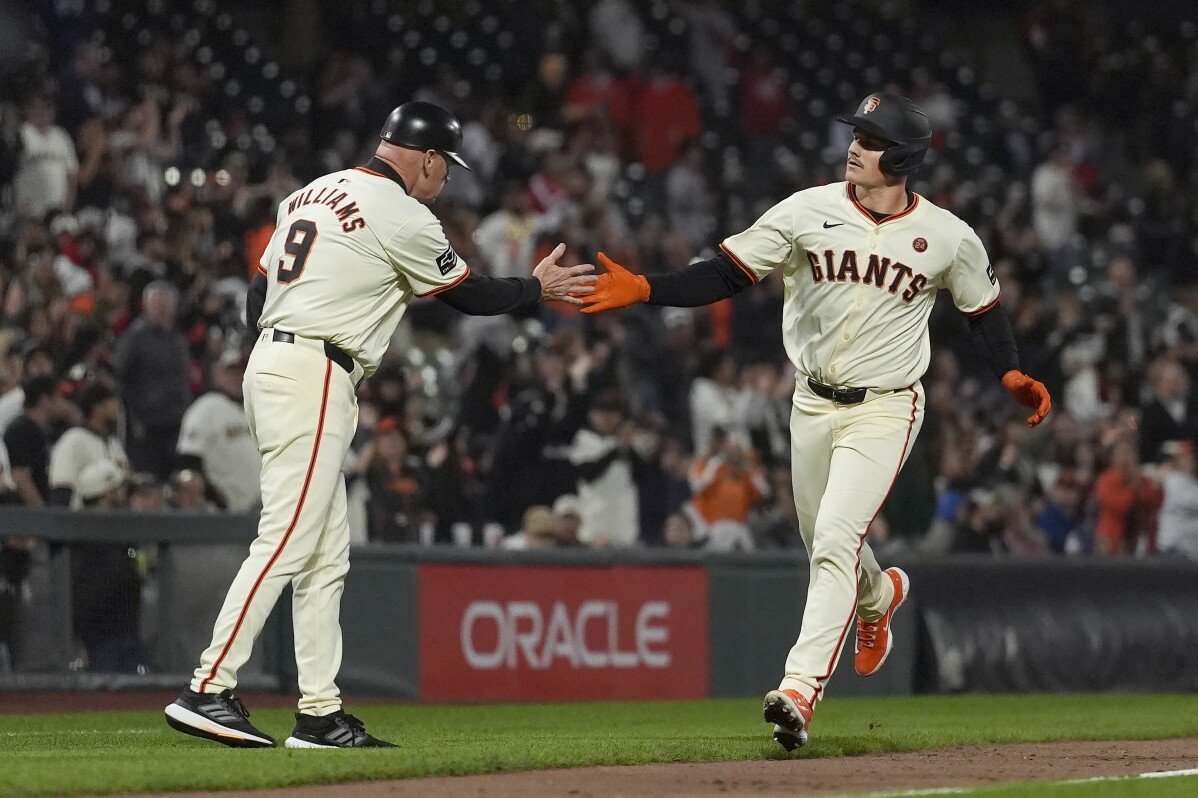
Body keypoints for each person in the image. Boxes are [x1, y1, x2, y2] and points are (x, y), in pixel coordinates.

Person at [581, 92, 1052, 749]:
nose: (855, 146)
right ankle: (878, 597)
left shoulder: (947, 235)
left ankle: (799, 691)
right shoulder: (807, 210)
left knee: (835, 535)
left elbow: (985, 310)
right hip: (810, 402)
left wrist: (1009, 371)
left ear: (906, 156)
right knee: (826, 543)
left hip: (888, 405)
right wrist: (648, 287)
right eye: (856, 134)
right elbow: (726, 273)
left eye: (872, 138)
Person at [165, 101, 594, 749]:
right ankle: (209, 686)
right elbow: (472, 296)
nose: (445, 179)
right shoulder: (402, 213)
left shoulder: (310, 192)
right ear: (424, 159)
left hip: (279, 360)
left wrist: (287, 335)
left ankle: (318, 713)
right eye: (445, 167)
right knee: (286, 538)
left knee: (324, 552)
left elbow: (258, 291)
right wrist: (535, 289)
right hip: (311, 372)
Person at [113, 281, 191, 480]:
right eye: (155, 305)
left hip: (176, 421)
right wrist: (134, 414)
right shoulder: (135, 338)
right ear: (146, 306)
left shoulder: (178, 338)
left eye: (164, 305)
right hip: (147, 426)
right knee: (150, 478)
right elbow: (119, 375)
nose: (160, 310)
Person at [176, 351, 261, 511]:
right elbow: (189, 460)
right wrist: (214, 498)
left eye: (241, 371)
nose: (237, 377)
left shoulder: (256, 408)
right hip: (223, 509)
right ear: (217, 374)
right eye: (231, 372)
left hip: (262, 508)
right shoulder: (206, 407)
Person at [48, 382, 127, 506]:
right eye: (111, 402)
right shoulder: (73, 439)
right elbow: (62, 488)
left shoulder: (113, 443)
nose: (116, 407)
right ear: (97, 407)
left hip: (113, 519)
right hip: (81, 519)